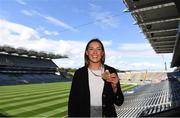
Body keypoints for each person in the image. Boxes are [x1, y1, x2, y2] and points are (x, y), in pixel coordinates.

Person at [68, 38, 124, 117]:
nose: (95, 52)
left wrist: (114, 87)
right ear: (87, 52)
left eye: (98, 49)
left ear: (102, 53)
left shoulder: (111, 71)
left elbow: (119, 102)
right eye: (91, 49)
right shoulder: (79, 74)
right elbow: (72, 103)